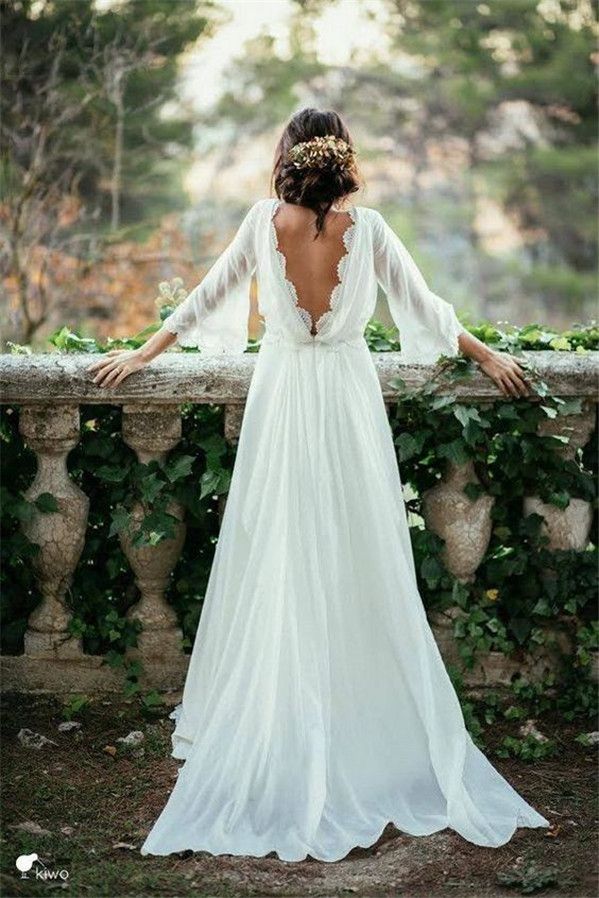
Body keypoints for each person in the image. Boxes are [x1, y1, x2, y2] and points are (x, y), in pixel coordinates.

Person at [87, 108, 549, 862]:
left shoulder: (260, 222)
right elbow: (426, 309)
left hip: (283, 399)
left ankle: (289, 716)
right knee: (354, 549)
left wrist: (142, 353)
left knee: (278, 548)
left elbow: (205, 297)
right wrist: (487, 355)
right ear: (343, 160)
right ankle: (351, 716)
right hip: (344, 401)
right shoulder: (367, 231)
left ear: (285, 156)